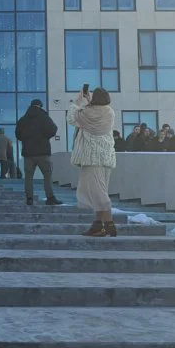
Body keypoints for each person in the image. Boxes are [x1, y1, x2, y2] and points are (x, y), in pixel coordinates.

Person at [68, 88, 117, 237]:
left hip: (92, 158)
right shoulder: (109, 111)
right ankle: (97, 225)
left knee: (98, 193)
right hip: (106, 157)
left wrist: (77, 102)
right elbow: (92, 115)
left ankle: (109, 225)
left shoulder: (87, 112)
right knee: (99, 191)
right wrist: (88, 103)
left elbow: (72, 118)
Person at [14, 99, 61, 206]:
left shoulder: (23, 119)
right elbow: (53, 129)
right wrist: (44, 137)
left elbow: (18, 134)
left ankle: (29, 199)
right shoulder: (44, 117)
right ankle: (50, 198)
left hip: (28, 153)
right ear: (40, 106)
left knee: (29, 177)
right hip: (43, 151)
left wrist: (27, 140)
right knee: (47, 175)